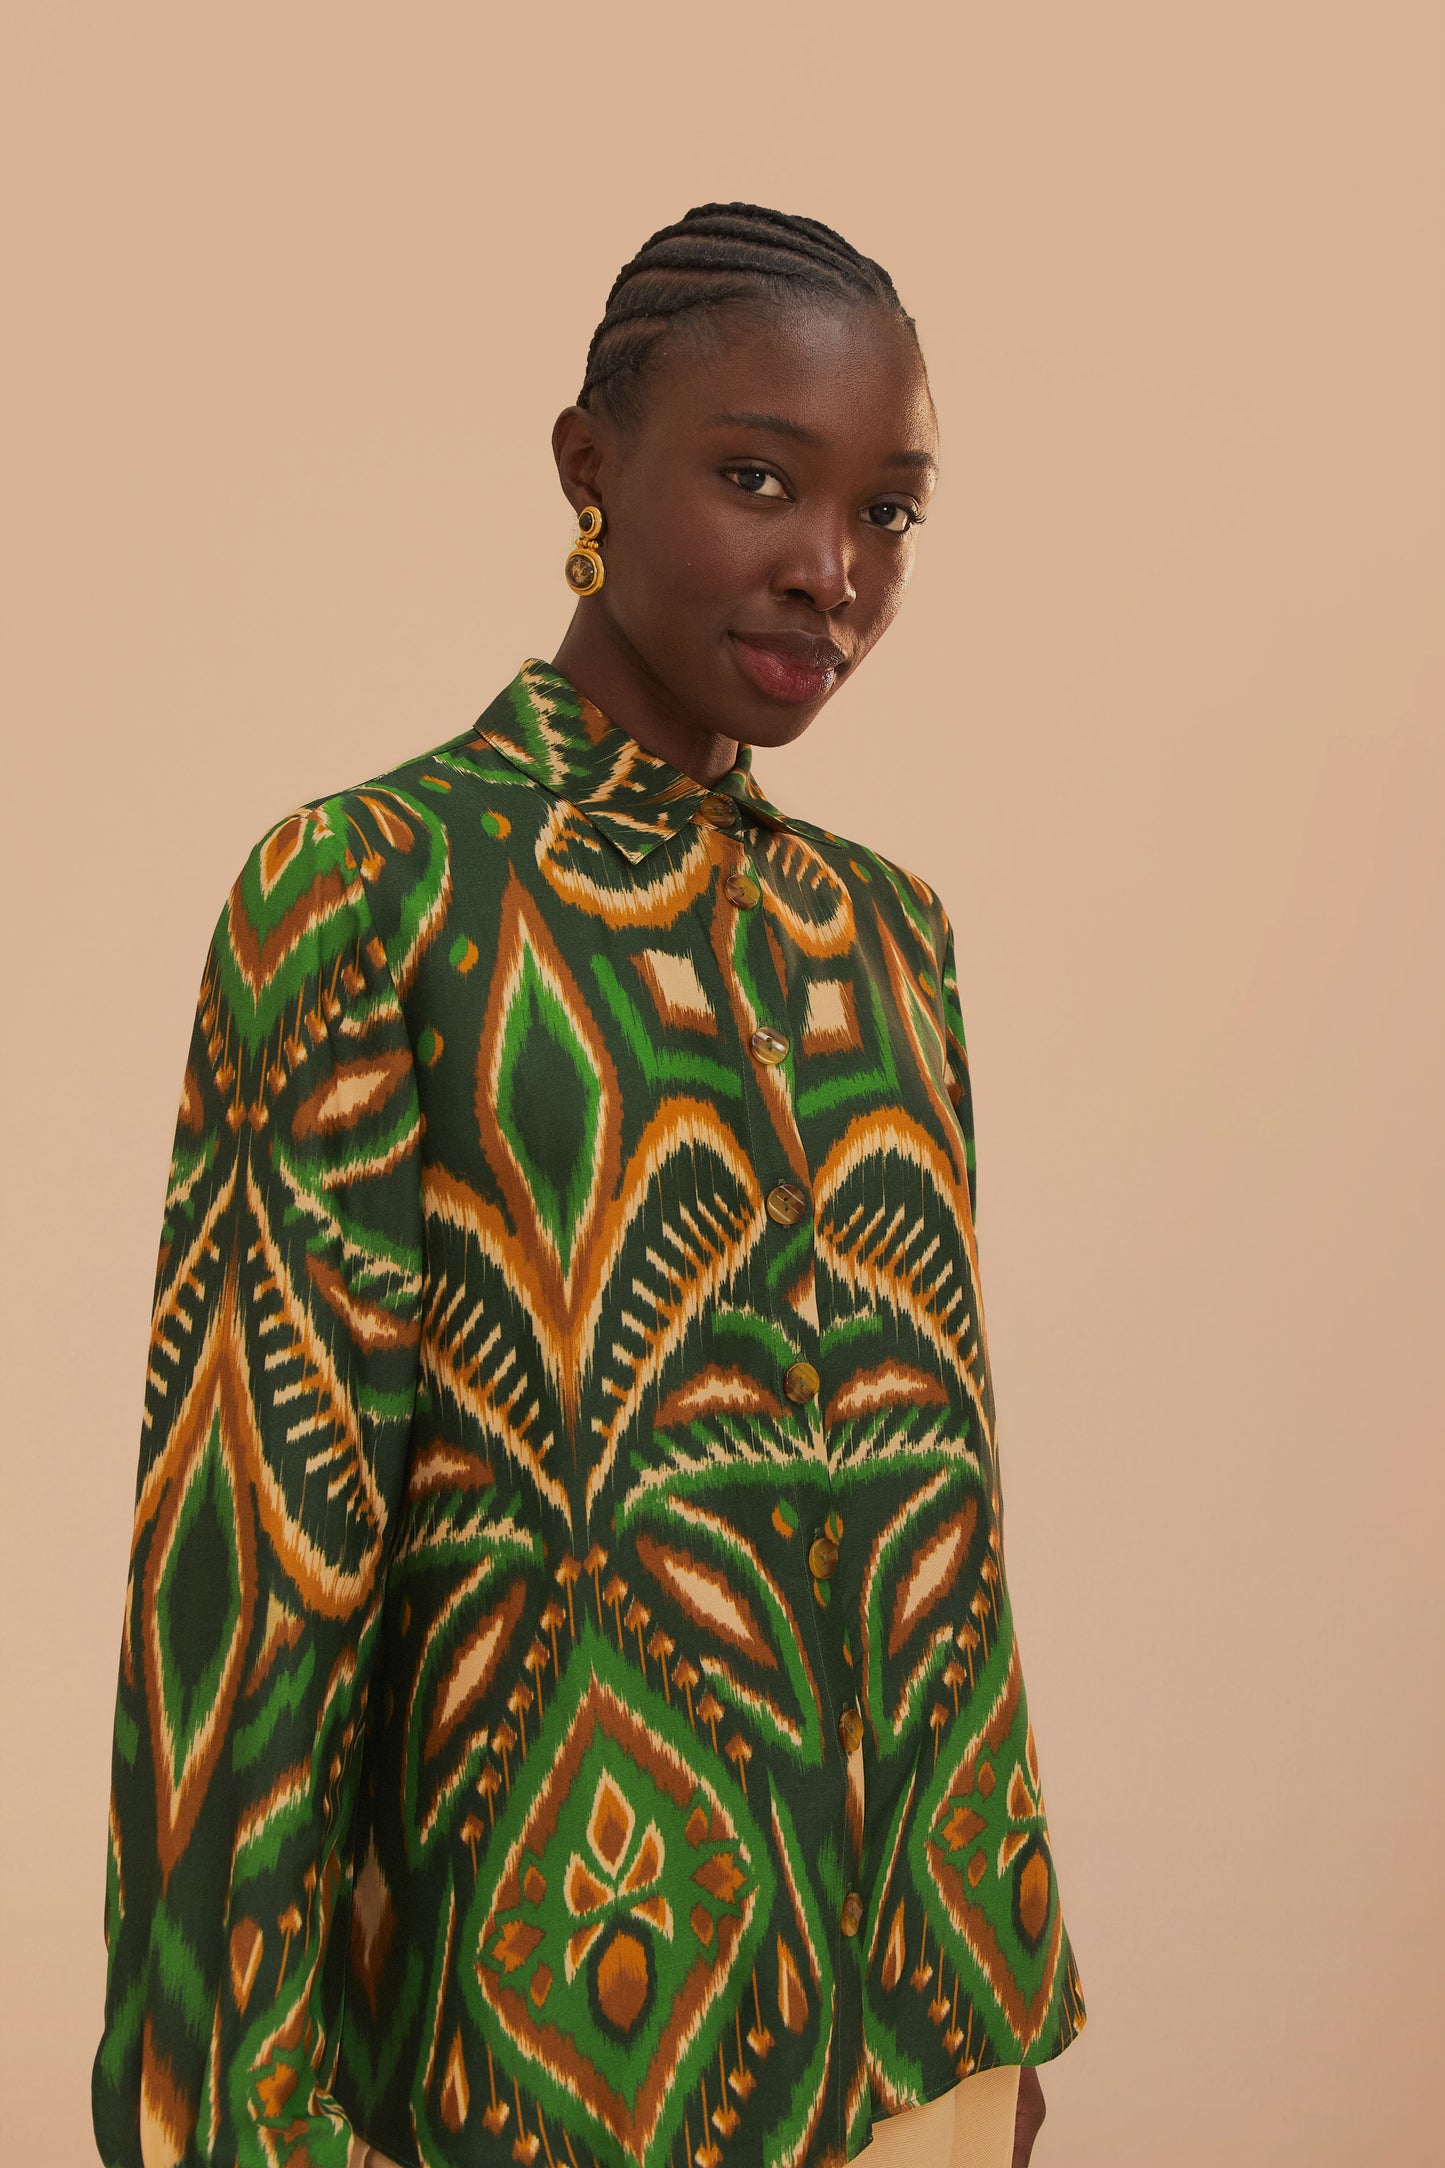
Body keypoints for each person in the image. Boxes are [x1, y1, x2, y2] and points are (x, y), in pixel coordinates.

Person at [91, 202, 1085, 2168]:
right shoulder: (371, 895)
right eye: (758, 478)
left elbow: (946, 1520)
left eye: (888, 513)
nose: (831, 571)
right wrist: (222, 2115)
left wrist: (994, 2000)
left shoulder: (889, 938)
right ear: (587, 466)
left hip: (933, 2038)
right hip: (554, 2071)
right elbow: (245, 1580)